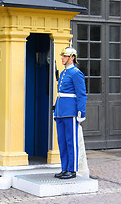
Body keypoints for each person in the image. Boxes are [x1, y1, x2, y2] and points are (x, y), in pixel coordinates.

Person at [54, 46, 87, 179]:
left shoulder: (76, 73)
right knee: (62, 141)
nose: (62, 58)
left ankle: (72, 170)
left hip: (71, 112)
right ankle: (64, 168)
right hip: (61, 111)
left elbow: (81, 94)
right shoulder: (63, 73)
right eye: (62, 56)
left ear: (72, 58)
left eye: (65, 56)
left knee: (70, 141)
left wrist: (81, 112)